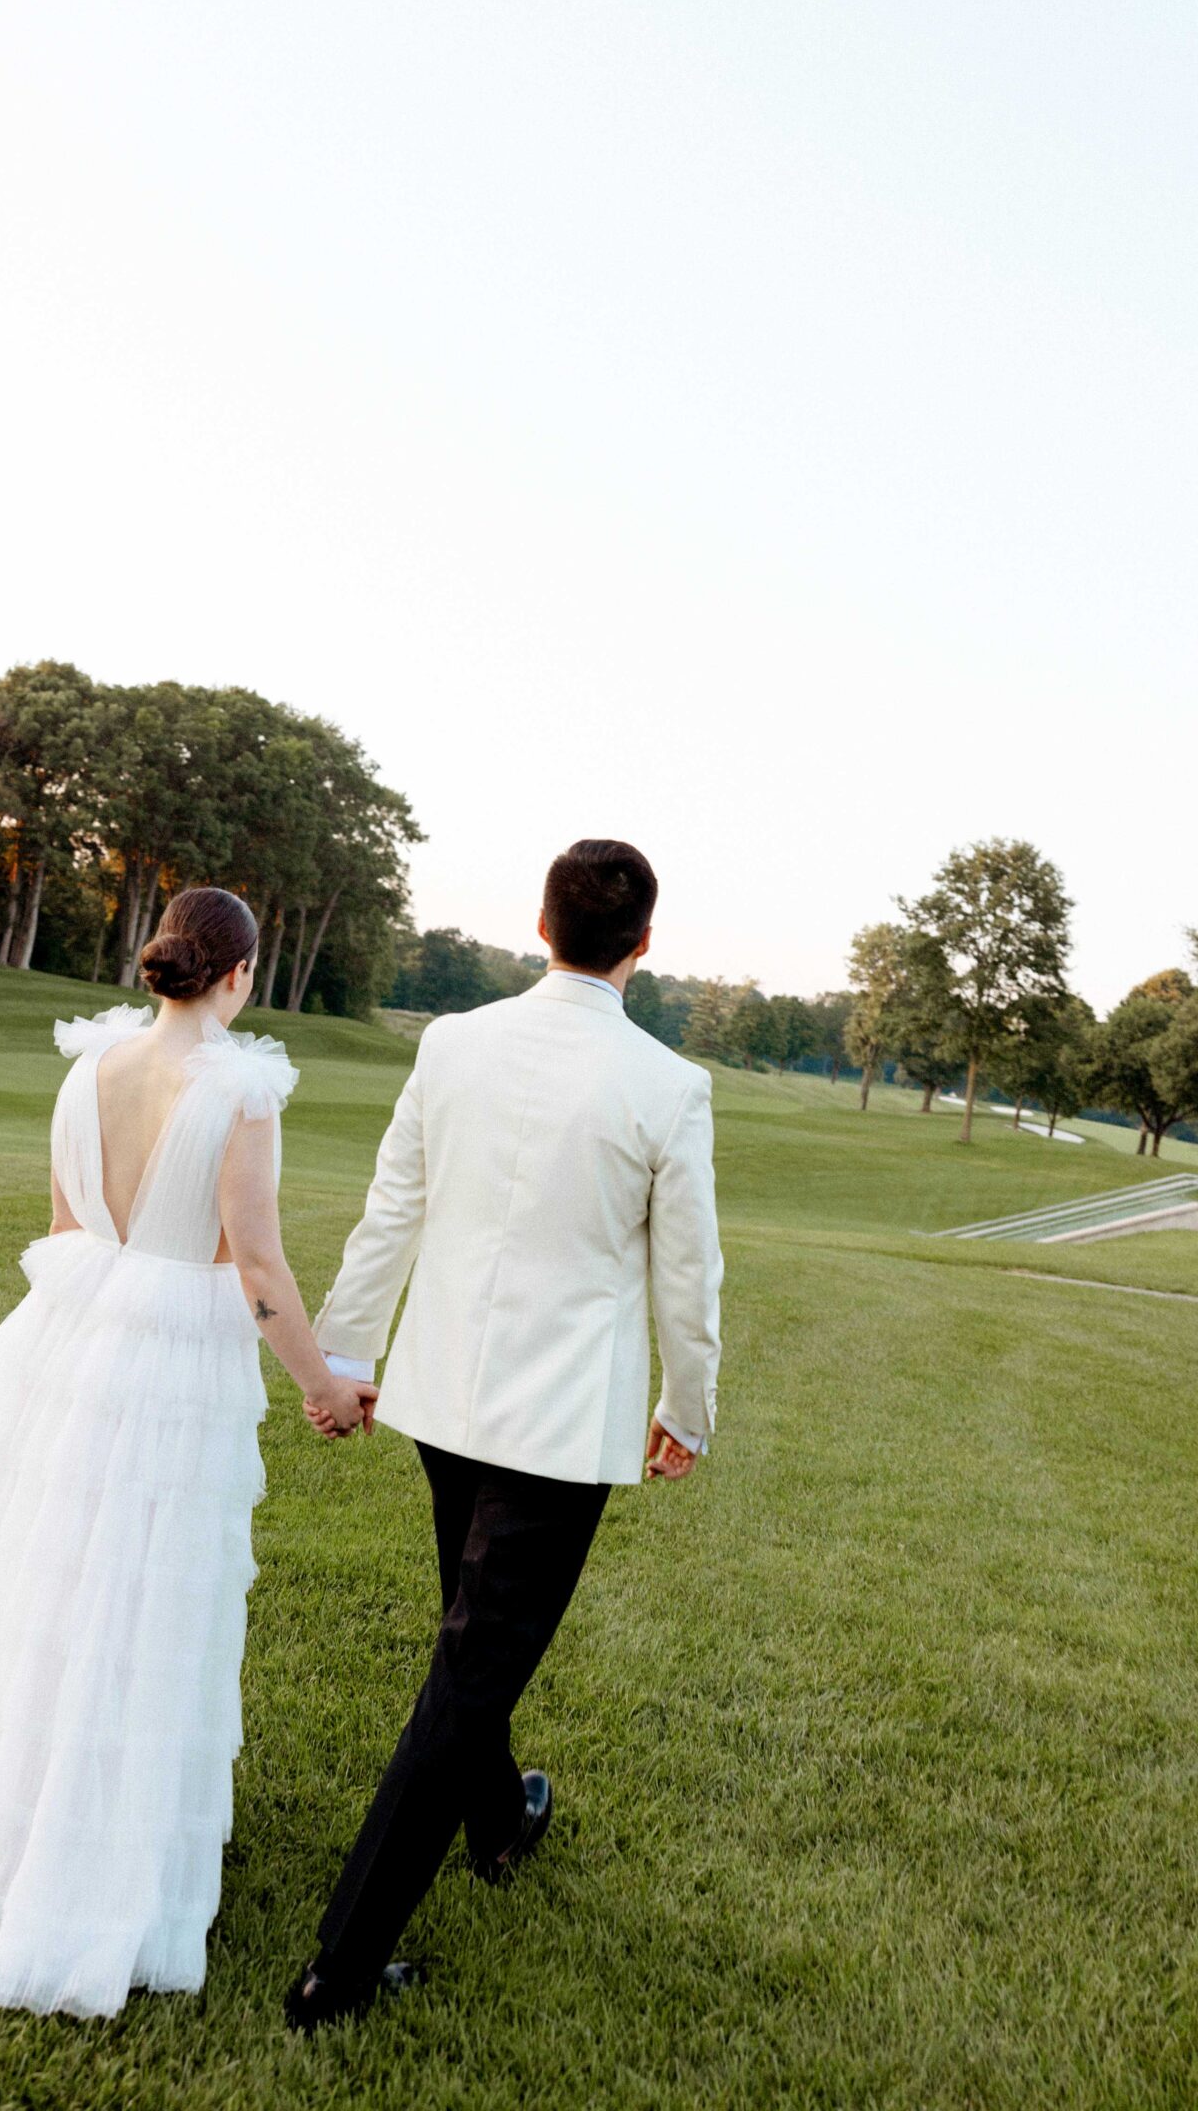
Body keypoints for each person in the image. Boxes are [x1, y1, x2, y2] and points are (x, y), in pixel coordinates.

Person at [0, 885, 375, 2017]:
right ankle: (87, 1880)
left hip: (67, 1342)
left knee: (47, 1586)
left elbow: (72, 1222)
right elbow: (257, 1267)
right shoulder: (241, 1090)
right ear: (239, 974)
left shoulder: (90, 1067)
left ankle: (7, 1828)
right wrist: (324, 1387)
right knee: (142, 1606)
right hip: (168, 1365)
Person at [286, 838, 724, 2030]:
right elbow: (689, 1274)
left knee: (471, 1643)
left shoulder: (452, 1041)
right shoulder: (666, 1086)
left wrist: (347, 1352)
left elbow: (393, 1208)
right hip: (554, 1425)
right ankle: (339, 1967)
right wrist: (688, 1409)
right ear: (642, 945)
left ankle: (502, 1821)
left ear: (541, 926)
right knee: (468, 1673)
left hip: (446, 1403)